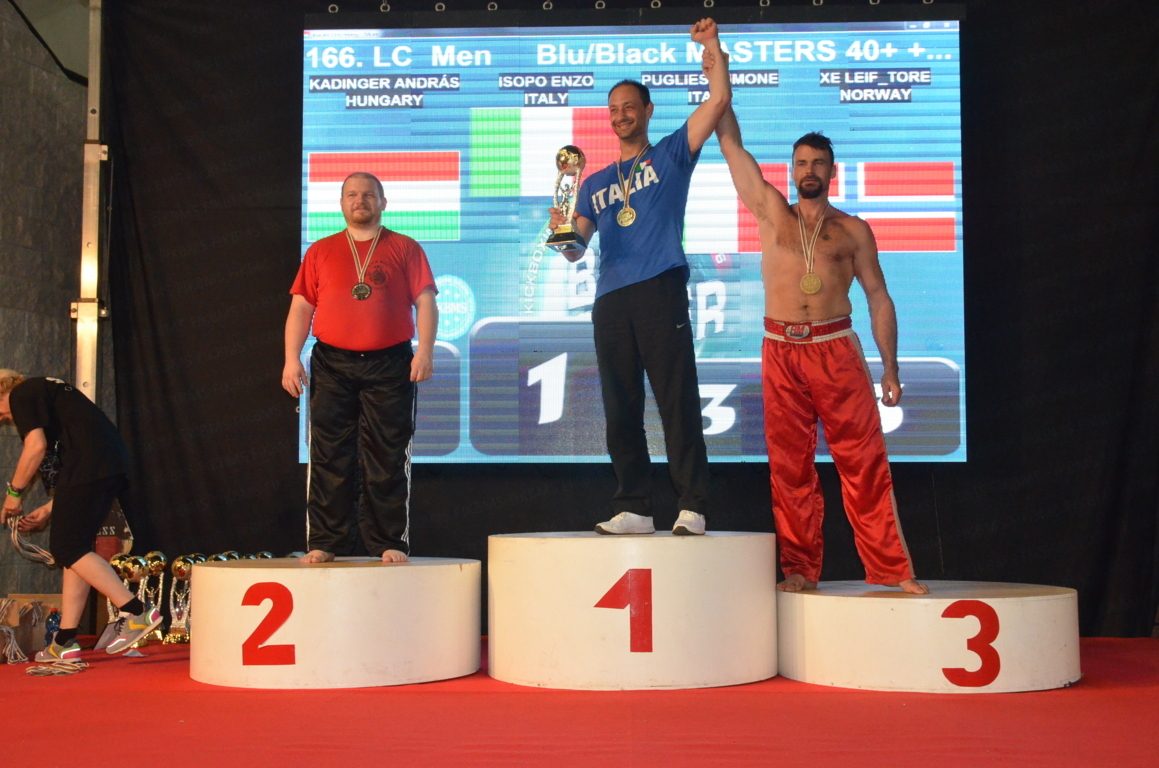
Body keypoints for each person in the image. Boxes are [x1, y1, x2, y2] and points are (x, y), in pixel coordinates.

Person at [712, 87, 927, 593]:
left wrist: (890, 367)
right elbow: (732, 147)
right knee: (790, 468)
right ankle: (800, 570)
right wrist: (718, 76)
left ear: (832, 172)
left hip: (835, 348)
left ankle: (893, 569)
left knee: (864, 462)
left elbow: (878, 297)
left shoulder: (853, 230)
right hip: (780, 349)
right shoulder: (772, 213)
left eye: (819, 163)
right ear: (792, 170)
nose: (810, 170)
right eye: (802, 162)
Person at [548, 19, 731, 537]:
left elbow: (719, 100)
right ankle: (635, 507)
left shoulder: (671, 153)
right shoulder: (594, 182)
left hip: (660, 287)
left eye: (629, 107)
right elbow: (574, 252)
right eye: (613, 110)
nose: (621, 116)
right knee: (620, 405)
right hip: (611, 299)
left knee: (676, 398)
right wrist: (559, 224)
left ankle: (692, 504)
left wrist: (711, 45)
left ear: (648, 111)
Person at [282, 172, 438, 564]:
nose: (360, 200)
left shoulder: (405, 247)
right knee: (328, 453)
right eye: (352, 194)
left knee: (388, 454)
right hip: (332, 363)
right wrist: (291, 358)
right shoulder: (320, 251)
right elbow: (301, 308)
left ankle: (388, 540)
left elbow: (426, 302)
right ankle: (325, 541)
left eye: (369, 194)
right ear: (341, 203)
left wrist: (425, 351)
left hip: (391, 362)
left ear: (383, 202)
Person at [0, 370, 163, 661]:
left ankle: (136, 611)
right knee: (74, 552)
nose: (3, 418)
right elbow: (79, 451)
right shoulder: (49, 394)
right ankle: (65, 639)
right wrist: (50, 508)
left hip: (90, 468)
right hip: (107, 466)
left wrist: (14, 493)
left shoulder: (22, 394)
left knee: (67, 548)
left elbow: (35, 447)